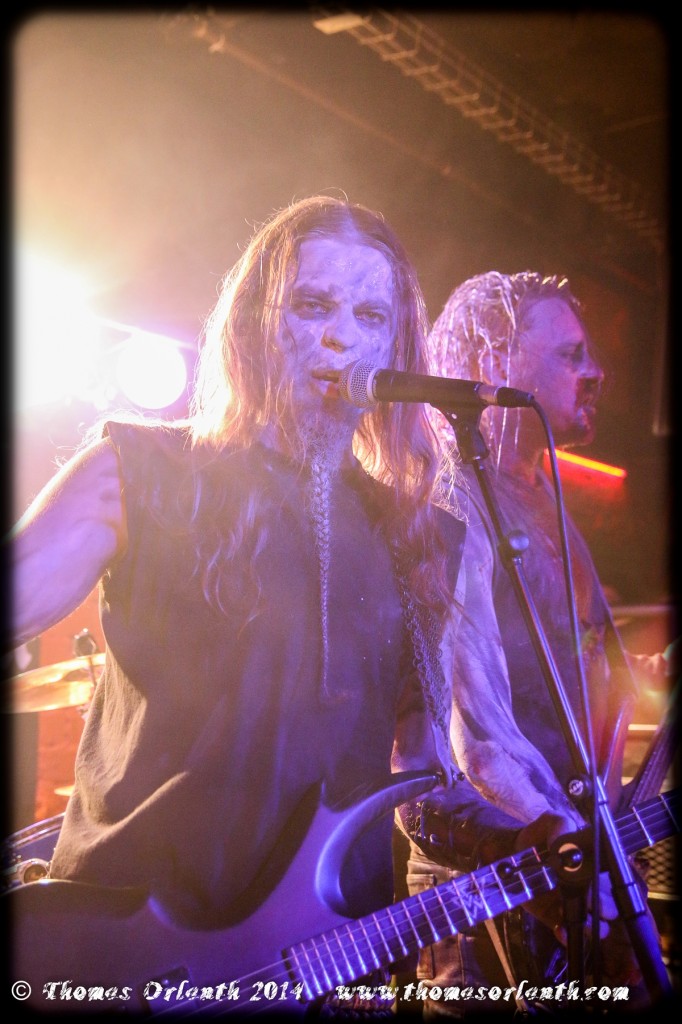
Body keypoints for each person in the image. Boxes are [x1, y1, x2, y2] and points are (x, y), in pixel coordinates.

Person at [7, 200, 571, 1017]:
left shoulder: (429, 541)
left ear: (396, 347)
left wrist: (535, 837)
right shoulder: (139, 472)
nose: (341, 339)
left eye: (370, 316)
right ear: (254, 328)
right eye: (313, 306)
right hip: (124, 958)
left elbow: (429, 787)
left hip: (320, 972)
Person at [405, 270, 673, 1015]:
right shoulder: (454, 498)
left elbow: (576, 660)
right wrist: (581, 866)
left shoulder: (544, 498)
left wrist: (643, 670)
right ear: (492, 362)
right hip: (494, 875)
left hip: (566, 856)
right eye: (571, 355)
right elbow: (477, 735)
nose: (597, 373)